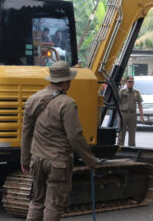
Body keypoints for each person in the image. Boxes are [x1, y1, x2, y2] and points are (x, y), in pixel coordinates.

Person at [20, 61, 97, 221]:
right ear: (65, 82)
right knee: (53, 205)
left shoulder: (32, 99)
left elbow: (26, 132)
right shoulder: (67, 103)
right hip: (58, 162)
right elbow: (75, 136)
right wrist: (90, 160)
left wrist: (25, 159)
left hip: (37, 160)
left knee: (36, 201)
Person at [118, 76, 144, 146]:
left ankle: (131, 150)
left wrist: (142, 116)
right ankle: (120, 149)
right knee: (121, 134)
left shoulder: (136, 93)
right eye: (129, 82)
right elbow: (118, 103)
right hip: (123, 114)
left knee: (132, 134)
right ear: (126, 83)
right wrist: (118, 115)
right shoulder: (122, 92)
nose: (130, 83)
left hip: (132, 115)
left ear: (134, 83)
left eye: (132, 82)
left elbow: (140, 104)